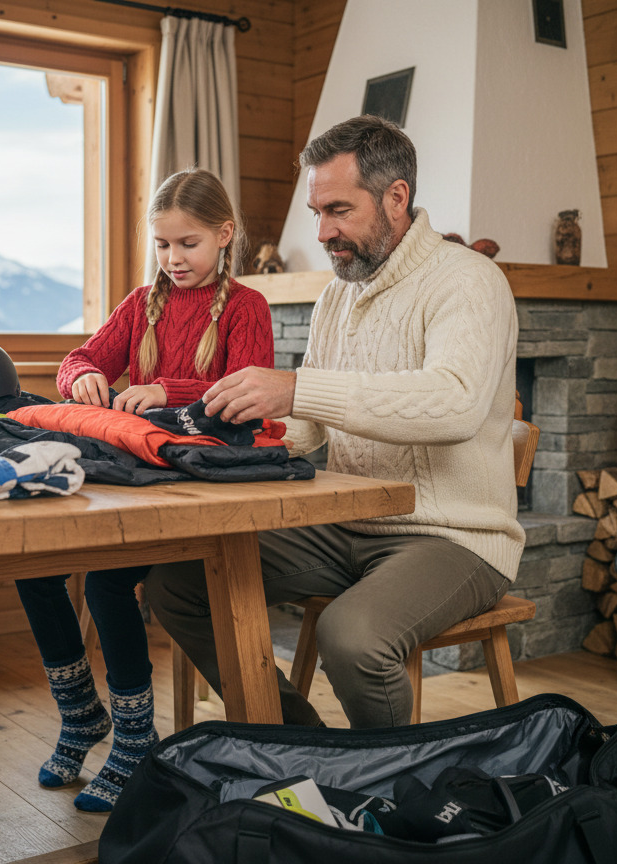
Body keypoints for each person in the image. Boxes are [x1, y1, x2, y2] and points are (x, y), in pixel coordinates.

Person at [146, 115, 526, 730]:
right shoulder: (337, 295)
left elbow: (454, 403)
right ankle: (304, 745)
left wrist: (295, 388)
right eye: (317, 212)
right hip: (343, 524)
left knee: (353, 638)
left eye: (339, 210)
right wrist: (225, 448)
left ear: (396, 197)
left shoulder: (469, 282)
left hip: (456, 537)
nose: (323, 231)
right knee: (178, 581)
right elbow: (308, 430)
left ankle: (391, 790)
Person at [15, 167, 275, 811]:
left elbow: (250, 393)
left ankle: (134, 737)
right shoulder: (140, 304)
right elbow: (77, 359)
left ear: (223, 235)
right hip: (138, 478)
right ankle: (81, 714)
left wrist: (168, 390)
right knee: (33, 569)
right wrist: (81, 381)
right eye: (162, 244)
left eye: (187, 244)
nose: (173, 259)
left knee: (105, 579)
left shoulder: (249, 307)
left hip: (201, 491)